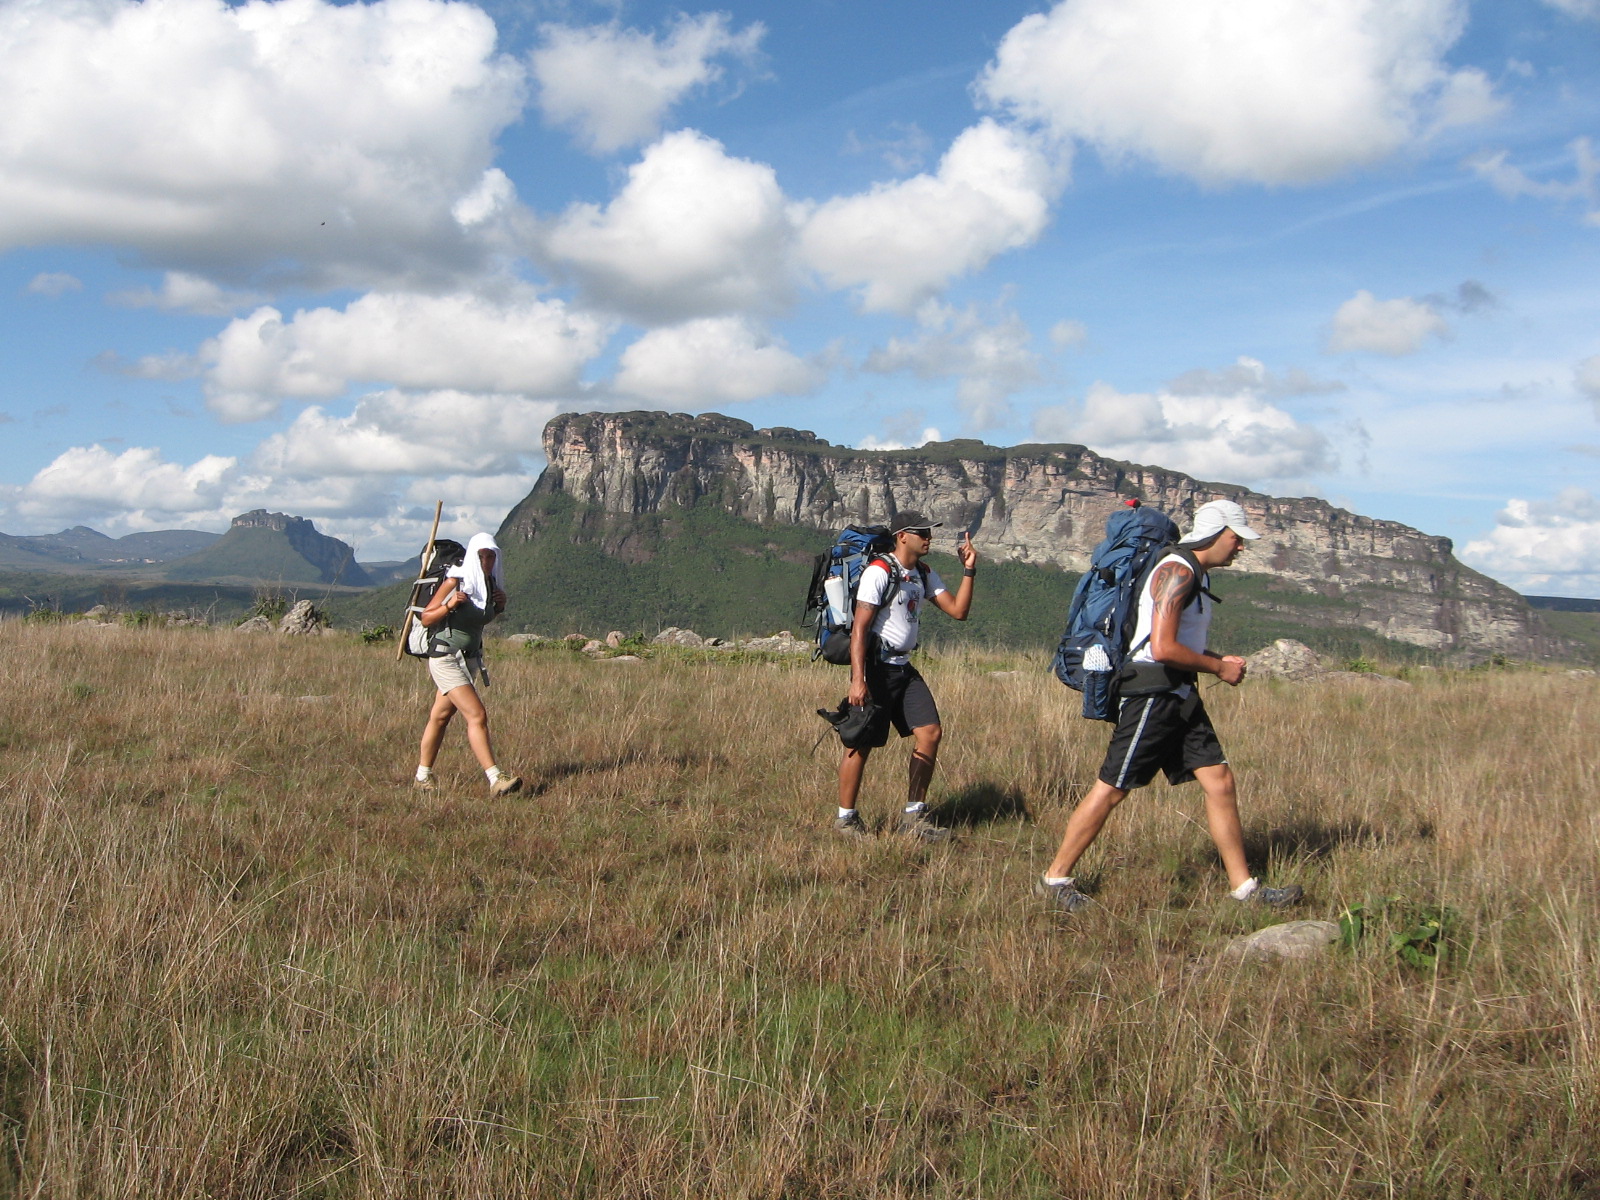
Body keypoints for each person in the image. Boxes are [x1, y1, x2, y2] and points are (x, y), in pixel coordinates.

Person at [1037, 499, 1302, 911]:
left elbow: (1177, 641)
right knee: (1112, 788)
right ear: (1216, 533)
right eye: (1236, 538)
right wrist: (1218, 668)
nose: (1240, 547)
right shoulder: (1176, 571)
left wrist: (1214, 659)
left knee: (1220, 781)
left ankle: (1244, 890)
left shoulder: (1194, 574)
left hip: (1178, 691)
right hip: (1153, 694)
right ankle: (1055, 879)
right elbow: (1161, 647)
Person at [834, 512, 977, 841]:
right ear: (902, 536)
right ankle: (846, 820)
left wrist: (969, 569)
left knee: (930, 732)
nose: (928, 537)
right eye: (922, 532)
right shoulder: (879, 571)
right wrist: (859, 680)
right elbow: (860, 629)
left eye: (929, 532)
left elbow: (959, 611)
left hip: (903, 668)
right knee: (860, 741)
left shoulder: (923, 574)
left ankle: (914, 817)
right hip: (877, 669)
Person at [414, 532, 522, 796]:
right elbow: (427, 617)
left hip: (469, 659)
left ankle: (422, 776)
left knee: (440, 716)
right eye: (482, 555)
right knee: (477, 715)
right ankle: (496, 778)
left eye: (491, 555)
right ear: (473, 556)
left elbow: (477, 620)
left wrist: (499, 607)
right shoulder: (456, 580)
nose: (486, 560)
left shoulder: (490, 583)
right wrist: (449, 605)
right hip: (445, 657)